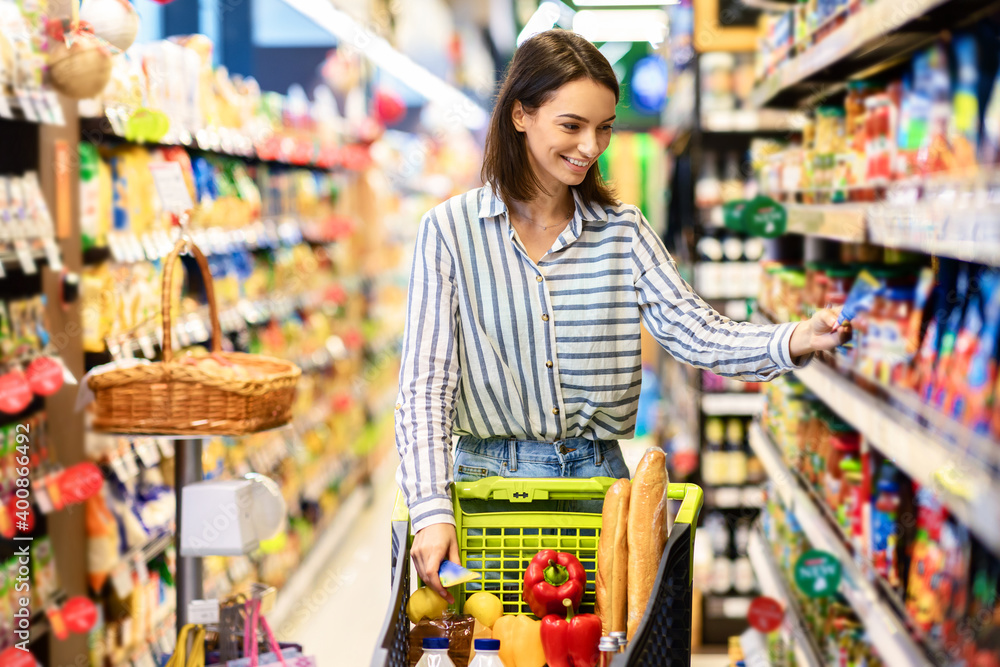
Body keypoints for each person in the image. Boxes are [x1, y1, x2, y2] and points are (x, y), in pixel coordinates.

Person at [394, 29, 850, 602]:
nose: (592, 146)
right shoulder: (449, 232)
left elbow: (695, 332)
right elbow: (425, 387)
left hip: (598, 496)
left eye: (604, 127)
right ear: (519, 115)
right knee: (495, 650)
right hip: (488, 497)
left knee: (599, 649)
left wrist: (792, 339)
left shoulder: (623, 231)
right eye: (572, 125)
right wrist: (431, 511)